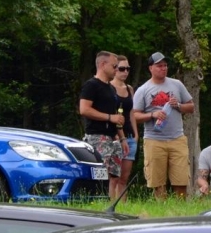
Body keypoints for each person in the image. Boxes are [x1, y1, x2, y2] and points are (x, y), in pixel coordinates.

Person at [132, 52, 194, 199]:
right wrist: (152, 115)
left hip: (177, 138)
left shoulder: (177, 84)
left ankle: (180, 208)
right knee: (158, 182)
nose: (163, 68)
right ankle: (162, 207)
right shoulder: (143, 90)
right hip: (154, 140)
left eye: (165, 65)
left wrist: (178, 105)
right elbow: (134, 116)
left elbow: (191, 107)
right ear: (150, 68)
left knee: (181, 180)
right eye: (159, 66)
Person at [79, 51, 124, 201]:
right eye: (114, 66)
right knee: (100, 173)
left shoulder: (111, 88)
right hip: (97, 137)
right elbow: (84, 109)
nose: (117, 70)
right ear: (103, 65)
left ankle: (112, 204)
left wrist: (122, 138)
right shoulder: (91, 85)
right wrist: (110, 117)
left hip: (113, 137)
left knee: (114, 175)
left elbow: (114, 115)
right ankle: (98, 202)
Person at [110, 55, 138, 201]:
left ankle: (124, 206)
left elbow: (131, 112)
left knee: (124, 177)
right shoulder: (109, 88)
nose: (125, 72)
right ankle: (112, 204)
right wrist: (117, 136)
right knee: (114, 176)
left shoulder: (129, 88)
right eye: (122, 69)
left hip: (130, 136)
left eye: (127, 69)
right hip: (115, 137)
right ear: (115, 69)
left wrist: (136, 133)